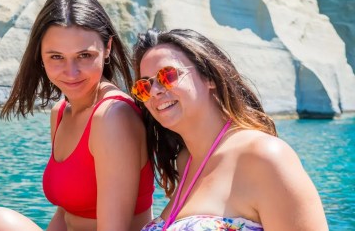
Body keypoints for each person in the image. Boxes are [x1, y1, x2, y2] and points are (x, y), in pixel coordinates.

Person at [0, 0, 154, 231]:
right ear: (40, 55)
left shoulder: (113, 116)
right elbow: (64, 215)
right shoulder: (60, 112)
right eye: (57, 56)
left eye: (84, 55)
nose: (71, 72)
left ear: (108, 48)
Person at [132, 28, 328, 231]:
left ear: (209, 77)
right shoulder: (185, 161)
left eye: (168, 75)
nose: (155, 91)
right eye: (144, 86)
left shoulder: (264, 156)